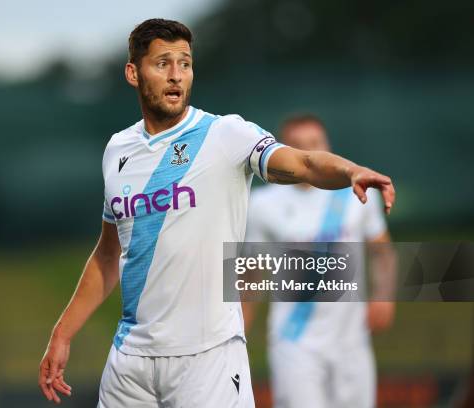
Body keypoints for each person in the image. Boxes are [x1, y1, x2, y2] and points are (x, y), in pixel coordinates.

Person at [38, 19, 396, 407]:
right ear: (133, 72)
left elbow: (305, 163)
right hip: (130, 364)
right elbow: (108, 255)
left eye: (185, 63)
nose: (177, 75)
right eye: (162, 64)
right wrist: (62, 334)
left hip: (208, 359)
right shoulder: (117, 150)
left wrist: (349, 171)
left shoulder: (226, 135)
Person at [243, 114, 397, 408]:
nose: (309, 153)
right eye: (298, 146)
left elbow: (382, 250)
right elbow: (251, 276)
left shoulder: (355, 193)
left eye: (315, 144)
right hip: (294, 344)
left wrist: (384, 296)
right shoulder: (262, 205)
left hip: (353, 343)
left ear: (327, 146)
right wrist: (238, 333)